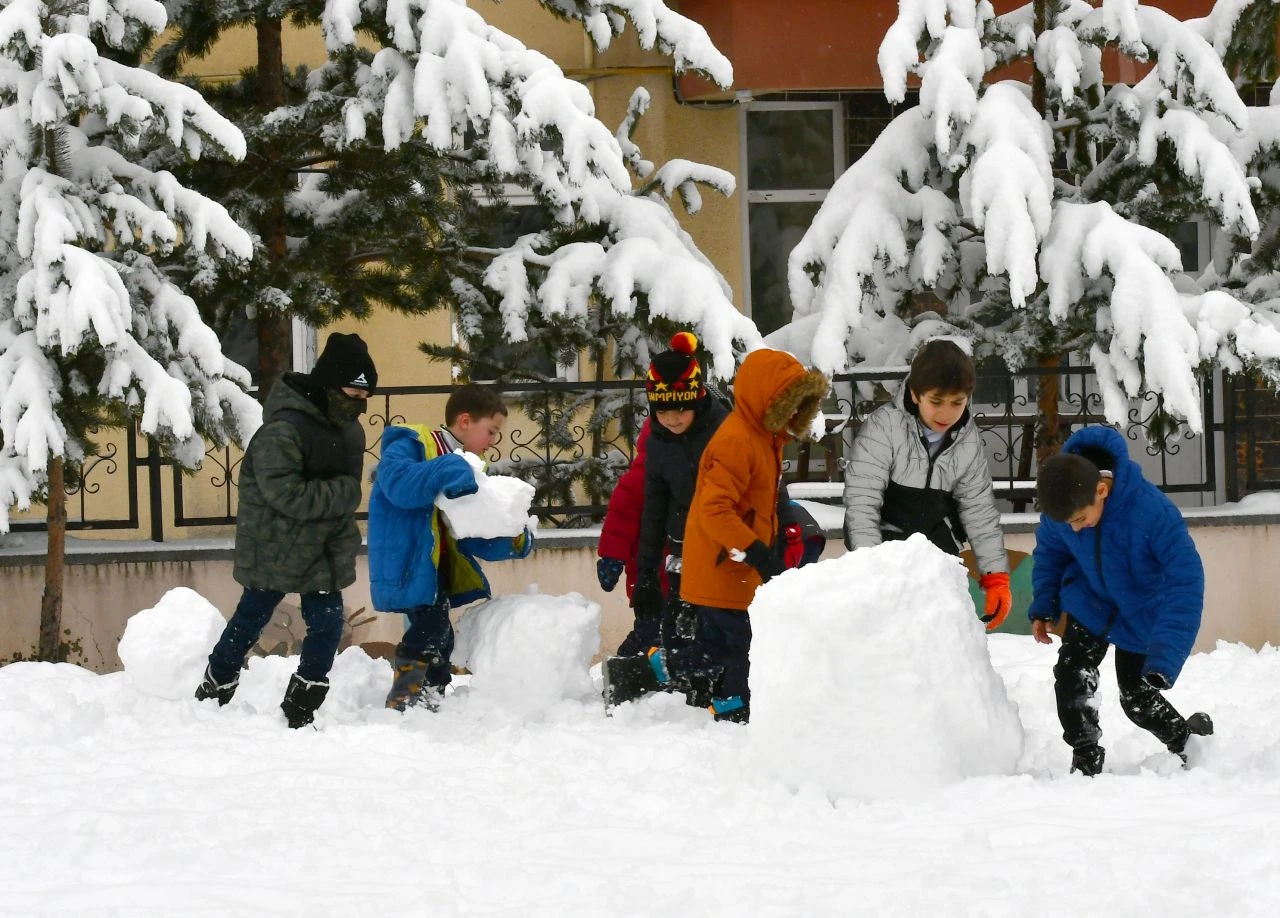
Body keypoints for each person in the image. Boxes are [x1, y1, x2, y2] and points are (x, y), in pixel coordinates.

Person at [603, 347, 829, 723]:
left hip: (725, 558)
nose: (673, 419)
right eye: (787, 404)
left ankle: (651, 672)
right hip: (720, 560)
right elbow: (701, 510)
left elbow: (768, 499)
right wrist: (755, 551)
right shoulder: (736, 441)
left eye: (797, 406)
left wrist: (780, 539)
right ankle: (731, 703)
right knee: (741, 642)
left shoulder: (760, 437)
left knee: (718, 644)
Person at [195, 332, 377, 729]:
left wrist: (339, 511)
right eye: (353, 394)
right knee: (250, 619)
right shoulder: (283, 430)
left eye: (365, 398)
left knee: (328, 625)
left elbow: (336, 493)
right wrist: (344, 494)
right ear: (330, 385)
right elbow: (287, 494)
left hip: (322, 547)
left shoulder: (349, 431)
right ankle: (213, 691)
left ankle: (300, 710)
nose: (359, 405)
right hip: (275, 545)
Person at [1030, 425, 1213, 776]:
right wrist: (1045, 603)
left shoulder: (1153, 512)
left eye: (1080, 520)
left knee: (1137, 699)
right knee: (1071, 675)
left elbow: (1186, 581)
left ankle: (1188, 741)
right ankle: (1086, 756)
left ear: (1102, 489)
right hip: (1090, 602)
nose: (1075, 529)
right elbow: (1051, 554)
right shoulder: (1065, 499)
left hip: (1142, 610)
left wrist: (1166, 651)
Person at [368, 383, 534, 711]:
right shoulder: (412, 443)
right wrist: (450, 468)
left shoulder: (465, 468)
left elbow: (472, 534)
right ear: (465, 421)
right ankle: (404, 698)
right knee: (431, 629)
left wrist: (512, 535)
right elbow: (397, 484)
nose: (493, 441)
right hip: (409, 561)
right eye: (492, 431)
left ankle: (432, 697)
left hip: (439, 566)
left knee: (442, 637)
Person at [843, 338, 1012, 631]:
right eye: (936, 401)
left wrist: (995, 576)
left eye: (957, 403)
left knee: (940, 635)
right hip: (887, 547)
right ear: (915, 393)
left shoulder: (967, 441)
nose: (946, 414)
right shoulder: (885, 427)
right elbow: (862, 503)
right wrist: (870, 567)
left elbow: (978, 509)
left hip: (938, 551)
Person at [632, 332, 730, 658]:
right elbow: (654, 509)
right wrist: (646, 573)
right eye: (662, 411)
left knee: (719, 637)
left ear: (697, 399)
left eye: (680, 409)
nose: (672, 419)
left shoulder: (726, 432)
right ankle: (679, 680)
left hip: (725, 552)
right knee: (678, 633)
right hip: (682, 553)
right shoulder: (658, 444)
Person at [596, 417, 669, 656]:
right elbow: (620, 520)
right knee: (650, 632)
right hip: (649, 580)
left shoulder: (691, 478)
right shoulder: (638, 479)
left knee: (671, 635)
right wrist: (611, 558)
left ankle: (645, 667)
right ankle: (626, 665)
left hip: (683, 577)